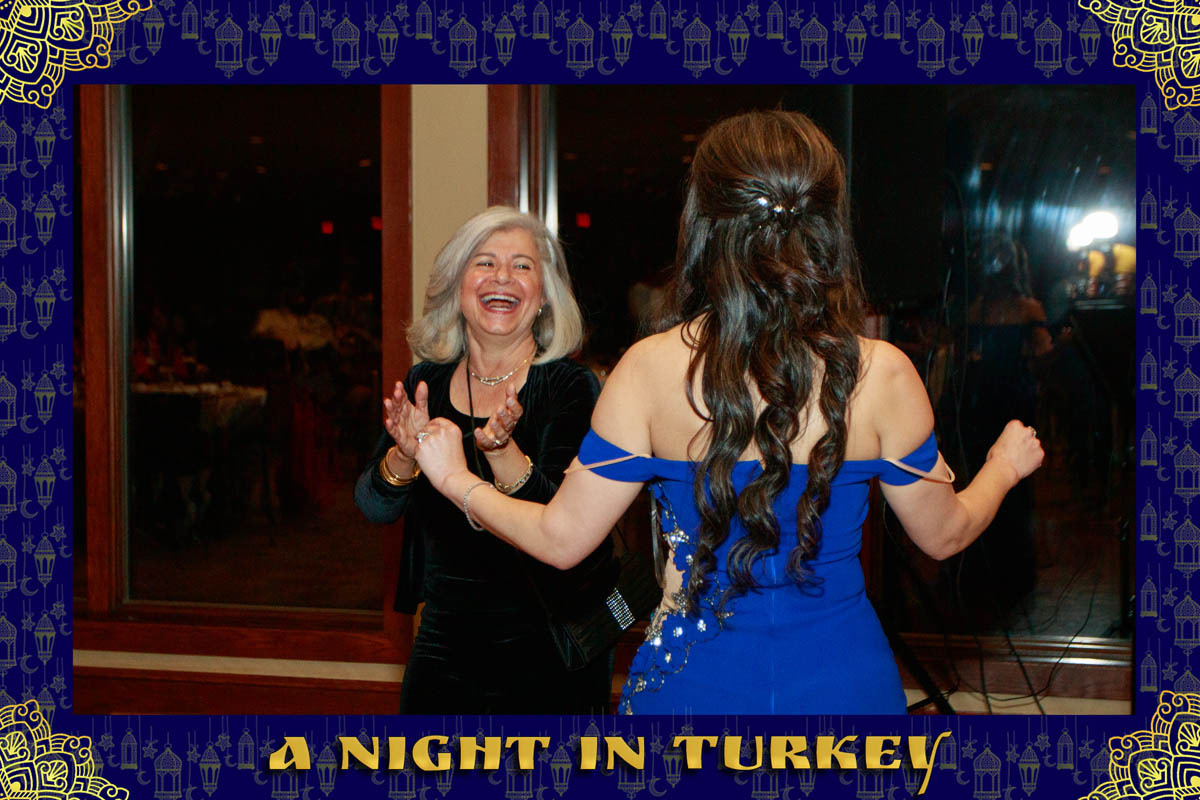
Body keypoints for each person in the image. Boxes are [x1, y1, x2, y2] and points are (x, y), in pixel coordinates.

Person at [413, 111, 1044, 714]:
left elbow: (560, 541)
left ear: (704, 225)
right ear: (826, 227)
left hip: (691, 689)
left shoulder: (648, 369)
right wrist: (1004, 467)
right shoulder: (883, 373)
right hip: (843, 687)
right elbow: (944, 535)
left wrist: (456, 479)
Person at [354, 206, 612, 714]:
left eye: (522, 266)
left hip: (550, 650)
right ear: (457, 287)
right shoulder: (426, 380)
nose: (502, 278)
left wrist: (503, 454)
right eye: (485, 263)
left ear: (544, 295)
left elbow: (566, 530)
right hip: (442, 646)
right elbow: (374, 507)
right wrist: (405, 457)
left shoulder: (568, 387)